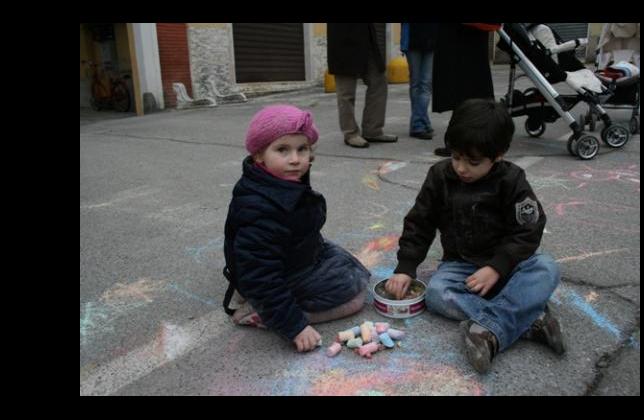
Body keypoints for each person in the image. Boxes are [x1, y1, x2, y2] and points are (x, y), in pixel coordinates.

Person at [385, 98, 565, 373]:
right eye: (455, 156)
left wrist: (497, 266)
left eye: (473, 161)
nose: (461, 168)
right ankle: (528, 319)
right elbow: (420, 222)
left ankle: (489, 328)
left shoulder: (512, 180)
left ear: (499, 155)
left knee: (546, 268)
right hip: (462, 265)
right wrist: (406, 267)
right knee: (437, 293)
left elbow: (528, 229)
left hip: (508, 265)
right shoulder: (440, 176)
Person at [222, 104, 370, 352]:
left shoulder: (279, 181)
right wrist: (295, 326)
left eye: (302, 149)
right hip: (274, 274)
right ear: (259, 155)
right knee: (355, 297)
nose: (295, 159)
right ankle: (262, 313)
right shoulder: (260, 207)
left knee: (352, 266)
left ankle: (266, 301)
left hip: (290, 258)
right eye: (282, 150)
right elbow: (260, 272)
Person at [431, 23, 499, 156]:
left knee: (460, 89)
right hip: (473, 35)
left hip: (460, 36)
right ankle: (481, 138)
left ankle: (458, 141)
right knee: (474, 87)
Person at [327, 23, 398, 148]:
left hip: (367, 37)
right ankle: (350, 134)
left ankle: (373, 130)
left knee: (379, 82)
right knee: (346, 91)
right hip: (343, 39)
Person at [400, 22, 438, 140]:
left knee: (424, 84)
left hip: (431, 41)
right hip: (413, 41)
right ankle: (420, 124)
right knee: (418, 84)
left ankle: (419, 123)